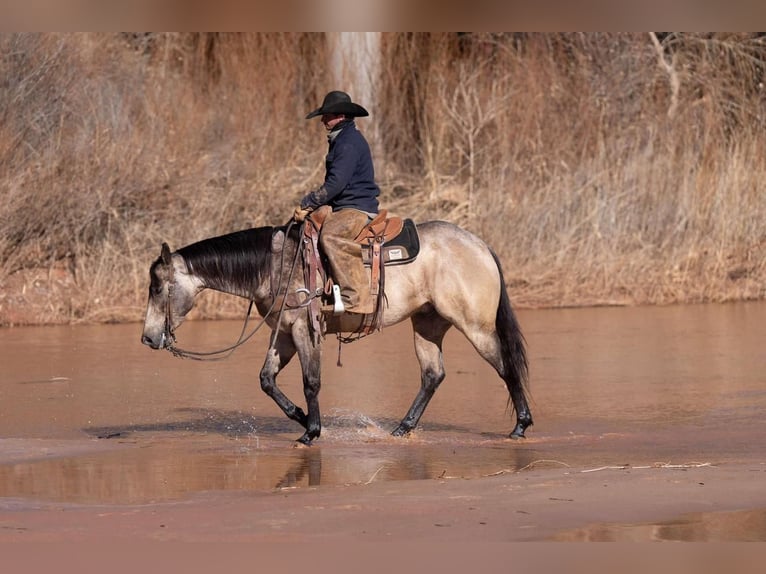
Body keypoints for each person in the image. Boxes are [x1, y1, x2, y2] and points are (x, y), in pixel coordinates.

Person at [294, 91, 380, 315]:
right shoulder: (342, 140)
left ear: (340, 116)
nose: (323, 120)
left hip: (357, 208)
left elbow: (336, 183)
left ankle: (357, 299)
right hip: (345, 204)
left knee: (331, 236)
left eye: (327, 116)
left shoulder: (347, 143)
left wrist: (309, 202)